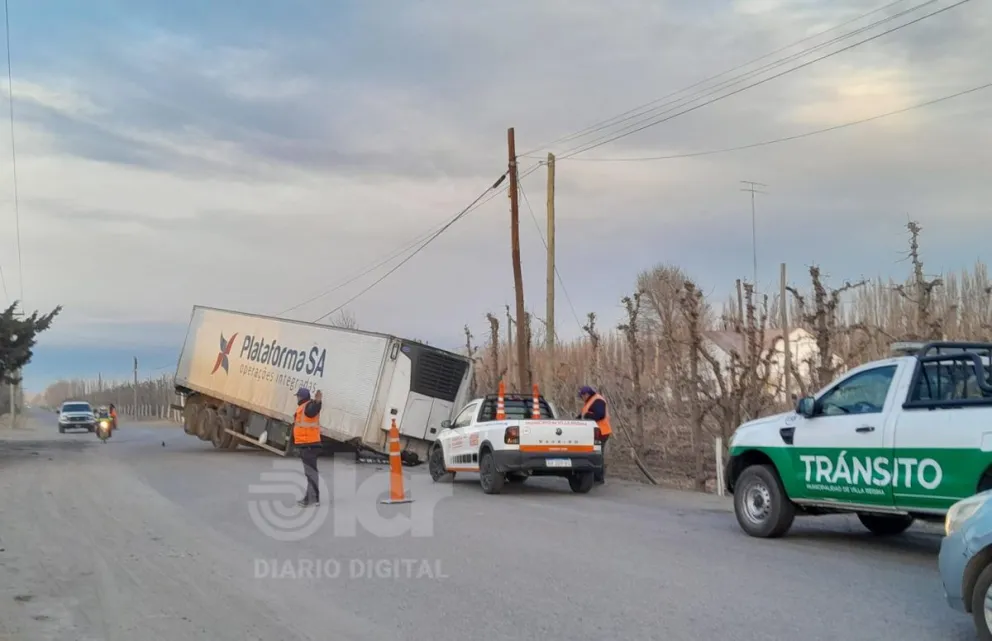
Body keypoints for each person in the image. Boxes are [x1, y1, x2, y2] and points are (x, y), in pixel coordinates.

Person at [293, 387, 324, 507]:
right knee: (310, 472)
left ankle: (311, 498)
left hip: (309, 444)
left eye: (298, 396)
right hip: (307, 444)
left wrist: (318, 402)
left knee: (310, 473)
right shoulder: (303, 407)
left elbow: (313, 410)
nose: (297, 398)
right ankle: (314, 497)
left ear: (301, 397)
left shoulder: (308, 406)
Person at [577, 385, 612, 484]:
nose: (582, 398)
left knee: (597, 454)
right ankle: (596, 476)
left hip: (601, 432)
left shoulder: (598, 400)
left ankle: (598, 478)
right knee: (596, 453)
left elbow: (600, 415)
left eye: (582, 396)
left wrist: (587, 416)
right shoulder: (591, 401)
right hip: (596, 432)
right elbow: (584, 415)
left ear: (586, 394)